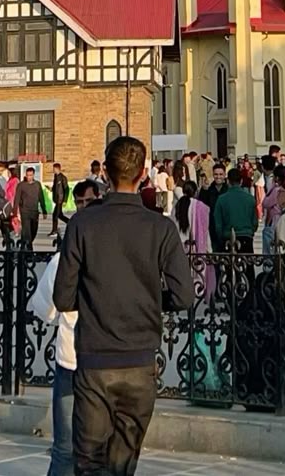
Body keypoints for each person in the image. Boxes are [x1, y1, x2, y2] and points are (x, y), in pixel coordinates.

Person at [54, 136, 194, 476]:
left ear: (105, 172)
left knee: (89, 463)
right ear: (143, 174)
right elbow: (184, 296)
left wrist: (96, 299)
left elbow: (62, 297)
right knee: (121, 464)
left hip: (95, 359)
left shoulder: (83, 224)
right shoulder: (160, 228)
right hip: (139, 361)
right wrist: (146, 298)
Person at [29, 181, 101, 476]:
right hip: (112, 361)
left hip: (73, 358)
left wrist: (63, 317)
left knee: (66, 448)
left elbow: (43, 309)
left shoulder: (63, 260)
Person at [213, 167, 258, 253]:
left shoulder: (221, 199)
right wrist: (251, 231)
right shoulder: (250, 198)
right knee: (248, 264)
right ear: (241, 181)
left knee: (229, 264)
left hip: (228, 238)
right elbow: (255, 221)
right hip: (246, 236)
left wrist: (220, 236)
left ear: (228, 181)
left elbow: (218, 223)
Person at [15, 167, 47, 248]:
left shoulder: (37, 184)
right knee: (27, 232)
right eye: (28, 175)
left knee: (34, 231)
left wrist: (44, 210)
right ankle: (29, 251)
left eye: (31, 175)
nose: (29, 177)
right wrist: (15, 213)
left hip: (34, 211)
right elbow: (16, 199)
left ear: (33, 175)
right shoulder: (21, 185)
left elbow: (41, 197)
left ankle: (24, 245)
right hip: (25, 211)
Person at [198, 162, 228, 251]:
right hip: (212, 226)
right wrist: (203, 191)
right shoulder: (208, 190)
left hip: (225, 226)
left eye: (220, 174)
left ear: (224, 175)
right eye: (216, 174)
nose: (218, 177)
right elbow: (201, 205)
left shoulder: (228, 190)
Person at [51, 163, 69, 235]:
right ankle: (70, 222)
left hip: (60, 199)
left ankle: (54, 230)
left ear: (57, 169)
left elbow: (66, 189)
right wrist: (51, 189)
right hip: (57, 199)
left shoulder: (62, 178)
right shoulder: (55, 177)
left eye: (54, 169)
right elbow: (55, 187)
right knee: (60, 215)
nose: (53, 170)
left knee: (55, 215)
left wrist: (65, 200)